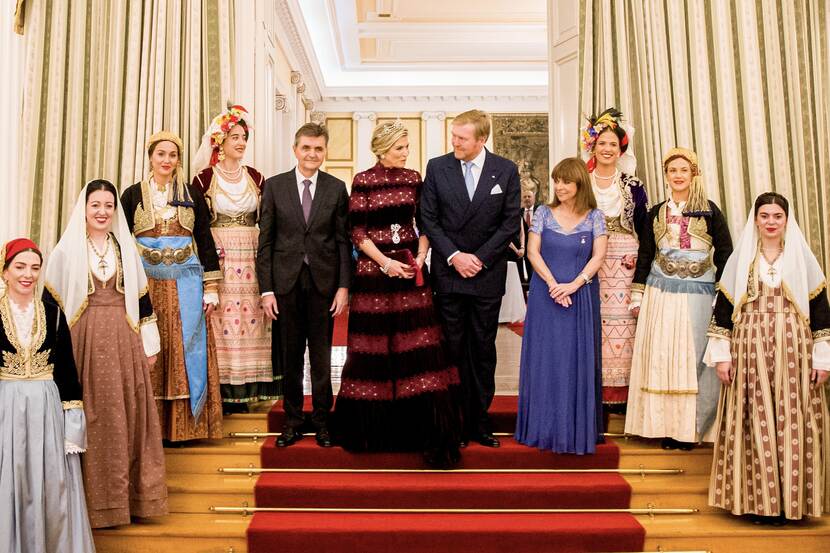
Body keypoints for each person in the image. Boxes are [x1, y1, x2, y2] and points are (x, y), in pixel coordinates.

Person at [334, 120, 461, 466]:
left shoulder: (413, 178)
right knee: (373, 348)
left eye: (406, 147)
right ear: (381, 149)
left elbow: (424, 222)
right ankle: (373, 433)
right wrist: (385, 264)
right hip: (374, 274)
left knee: (416, 348)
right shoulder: (363, 180)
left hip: (410, 273)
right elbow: (357, 232)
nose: (405, 154)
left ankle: (421, 433)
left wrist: (420, 257)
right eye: (398, 148)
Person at [43, 180, 168, 527]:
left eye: (108, 205)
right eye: (95, 204)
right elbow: (50, 306)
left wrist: (149, 344)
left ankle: (127, 501)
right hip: (81, 341)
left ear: (115, 210)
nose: (101, 211)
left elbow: (142, 302)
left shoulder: (125, 249)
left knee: (125, 415)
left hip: (123, 339)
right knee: (92, 414)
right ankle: (90, 505)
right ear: (84, 208)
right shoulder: (66, 251)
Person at [705, 192, 830, 522]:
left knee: (792, 421)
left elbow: (820, 313)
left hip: (795, 350)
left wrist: (822, 359)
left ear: (787, 220)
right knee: (754, 421)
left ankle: (792, 503)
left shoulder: (802, 260)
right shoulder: (742, 260)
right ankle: (759, 503)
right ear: (755, 219)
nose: (771, 222)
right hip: (749, 350)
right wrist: (722, 356)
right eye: (765, 215)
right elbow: (723, 312)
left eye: (777, 216)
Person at [420, 109, 521, 447]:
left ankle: (479, 421)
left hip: (486, 275)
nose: (455, 143)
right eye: (453, 136)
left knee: (482, 349)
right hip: (449, 274)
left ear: (481, 139)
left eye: (462, 138)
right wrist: (454, 256)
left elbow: (509, 223)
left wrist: (478, 259)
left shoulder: (505, 171)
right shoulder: (437, 167)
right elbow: (428, 219)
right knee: (451, 349)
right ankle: (454, 422)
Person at [624, 147, 733, 449]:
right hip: (661, 294)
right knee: (663, 357)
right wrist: (637, 294)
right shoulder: (656, 213)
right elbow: (645, 255)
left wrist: (722, 297)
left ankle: (692, 429)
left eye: (684, 170)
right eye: (673, 170)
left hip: (699, 295)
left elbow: (726, 254)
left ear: (694, 173)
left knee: (692, 359)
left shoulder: (710, 211)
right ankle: (664, 426)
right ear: (667, 175)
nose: (678, 176)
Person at [121, 130, 224, 442]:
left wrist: (211, 287)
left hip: (187, 286)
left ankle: (185, 428)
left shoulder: (191, 194)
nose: (166, 160)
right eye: (161, 154)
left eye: (173, 155)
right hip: (147, 286)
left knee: (185, 350)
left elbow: (204, 239)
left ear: (179, 160)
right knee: (150, 348)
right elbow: (123, 244)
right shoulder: (132, 195)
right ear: (150, 156)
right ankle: (148, 427)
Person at [256, 123, 350, 448]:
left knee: (322, 357)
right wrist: (266, 290)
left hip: (324, 283)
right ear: (295, 150)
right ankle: (293, 421)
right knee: (291, 356)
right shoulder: (274, 186)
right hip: (285, 284)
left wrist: (343, 287)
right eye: (306, 148)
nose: (312, 154)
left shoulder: (337, 189)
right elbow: (265, 243)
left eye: (318, 149)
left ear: (325, 152)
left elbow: (342, 242)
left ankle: (323, 420)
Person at [0, 239, 96, 552]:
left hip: (46, 412)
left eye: (34, 268)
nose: (28, 274)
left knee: (51, 487)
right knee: (9, 486)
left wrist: (72, 428)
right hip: (5, 412)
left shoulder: (54, 315)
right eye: (20, 266)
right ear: (4, 272)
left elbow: (67, 374)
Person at [515, 158, 608, 454]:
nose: (559, 186)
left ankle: (577, 429)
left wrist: (575, 284)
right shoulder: (543, 213)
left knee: (575, 361)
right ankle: (543, 427)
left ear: (579, 183)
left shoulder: (595, 217)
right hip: (546, 296)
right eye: (556, 181)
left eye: (565, 181)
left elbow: (598, 257)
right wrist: (554, 284)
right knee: (546, 359)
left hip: (580, 297)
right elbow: (532, 252)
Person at [192, 104, 279, 413]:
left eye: (244, 137)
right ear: (221, 141)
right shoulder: (203, 180)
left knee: (253, 321)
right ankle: (224, 393)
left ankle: (253, 390)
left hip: (253, 258)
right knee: (223, 322)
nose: (241, 143)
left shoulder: (256, 177)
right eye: (234, 137)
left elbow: (267, 222)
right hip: (220, 259)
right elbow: (199, 229)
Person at [580, 108, 649, 409]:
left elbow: (645, 230)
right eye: (602, 143)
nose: (607, 149)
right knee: (591, 321)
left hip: (625, 264)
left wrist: (639, 262)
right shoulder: (581, 182)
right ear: (592, 146)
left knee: (623, 325)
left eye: (613, 144)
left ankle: (622, 394)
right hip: (588, 260)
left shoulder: (633, 186)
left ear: (621, 149)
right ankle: (591, 387)